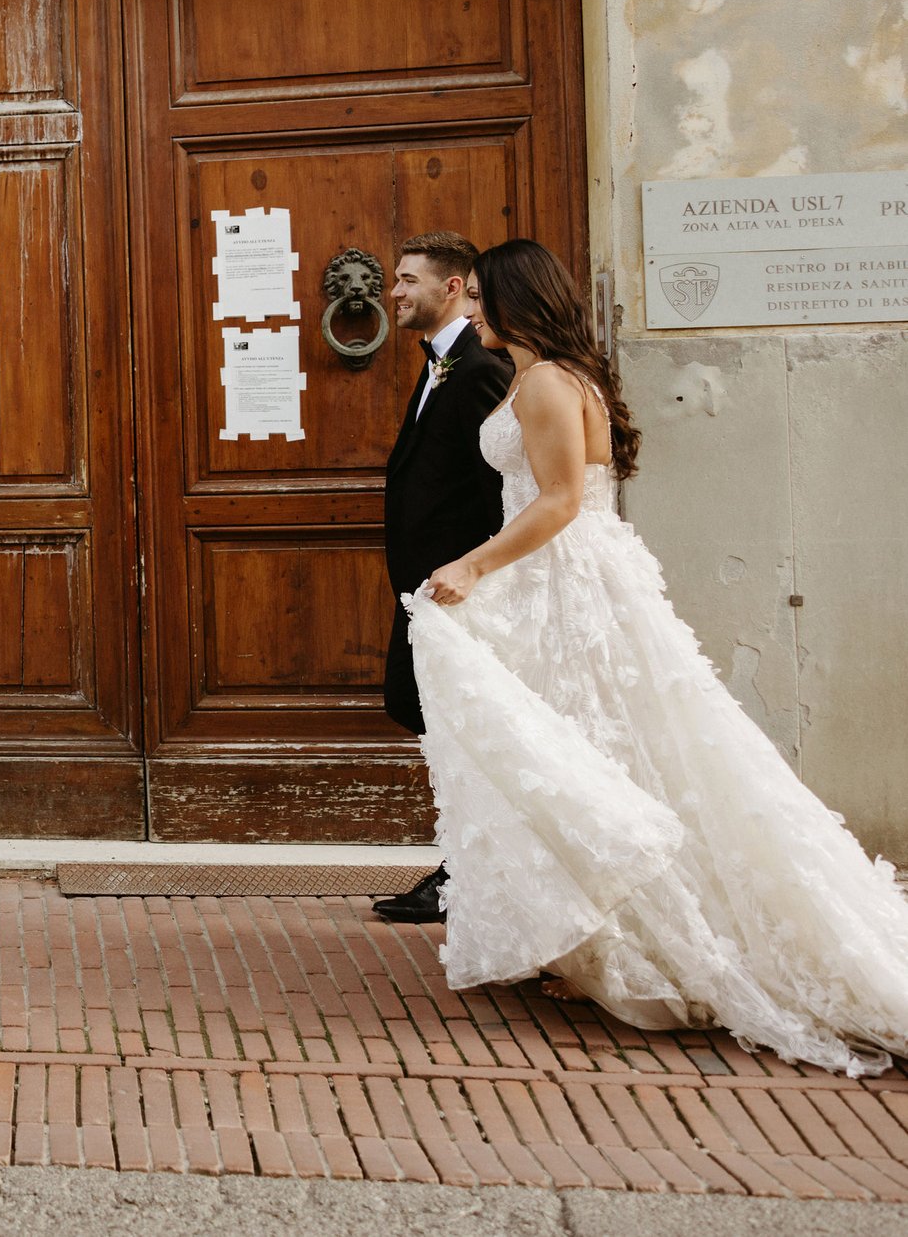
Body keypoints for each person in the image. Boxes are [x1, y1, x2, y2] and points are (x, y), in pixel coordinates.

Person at [408, 240, 908, 1075]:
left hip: (569, 584)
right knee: (596, 747)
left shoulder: (541, 382)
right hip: (571, 580)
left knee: (594, 750)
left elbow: (563, 500)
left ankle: (638, 944)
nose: (476, 311)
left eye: (485, 297)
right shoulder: (562, 375)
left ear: (515, 299)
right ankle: (595, 937)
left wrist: (472, 564)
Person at [370, 233, 512, 925]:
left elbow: (501, 492)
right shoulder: (440, 365)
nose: (393, 291)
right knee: (420, 706)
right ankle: (473, 861)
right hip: (427, 589)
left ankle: (468, 869)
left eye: (406, 279)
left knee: (462, 729)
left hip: (461, 592)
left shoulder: (480, 367)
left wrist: (484, 579)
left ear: (451, 287)